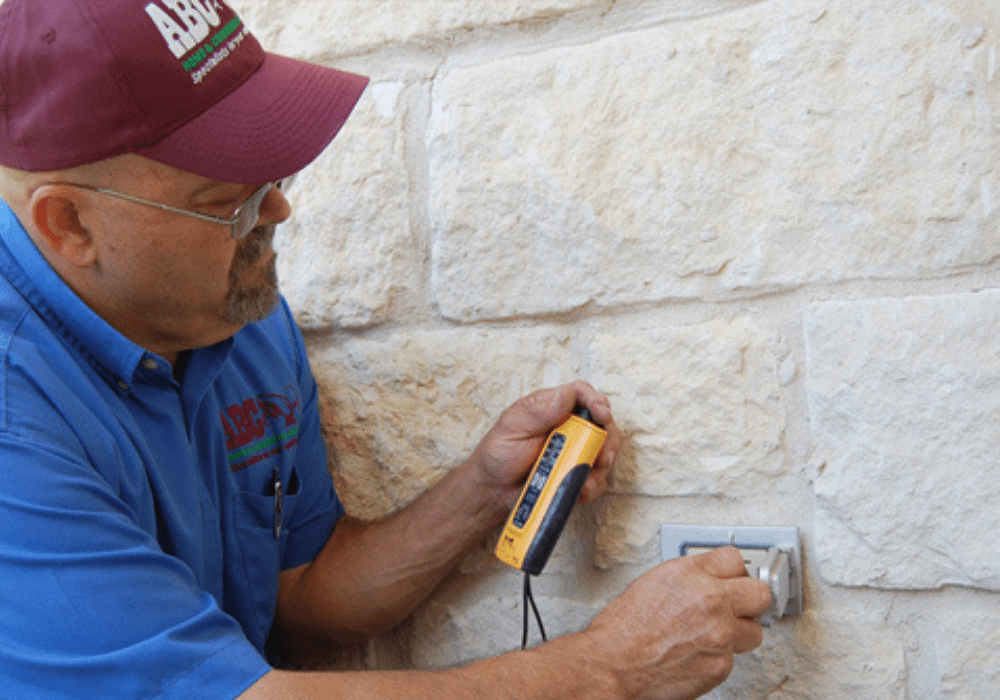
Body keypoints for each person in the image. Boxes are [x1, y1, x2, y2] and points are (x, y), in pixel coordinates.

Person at [0, 0, 771, 698]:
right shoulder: (14, 415)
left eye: (272, 170)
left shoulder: (240, 320)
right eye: (227, 202)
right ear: (69, 225)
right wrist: (614, 666)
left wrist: (480, 493)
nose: (278, 208)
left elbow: (303, 593)